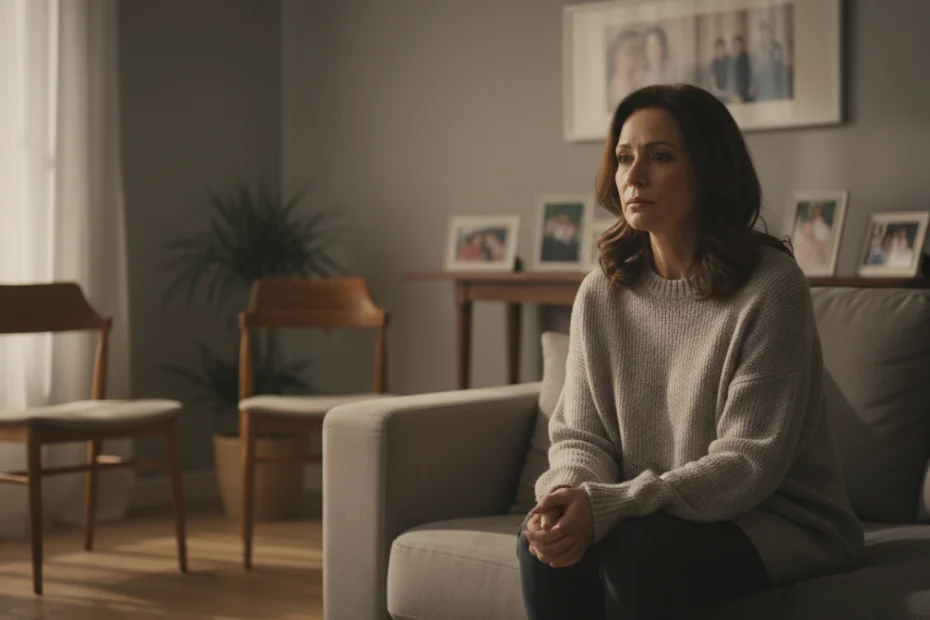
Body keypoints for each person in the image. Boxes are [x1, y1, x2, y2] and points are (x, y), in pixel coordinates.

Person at [516, 84, 864, 619]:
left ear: (708, 171)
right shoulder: (602, 290)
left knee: (638, 557)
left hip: (779, 519)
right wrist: (570, 496)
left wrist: (613, 506)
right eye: (625, 157)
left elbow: (748, 463)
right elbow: (580, 434)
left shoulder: (771, 287)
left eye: (660, 157)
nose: (634, 176)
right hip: (656, 513)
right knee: (546, 549)